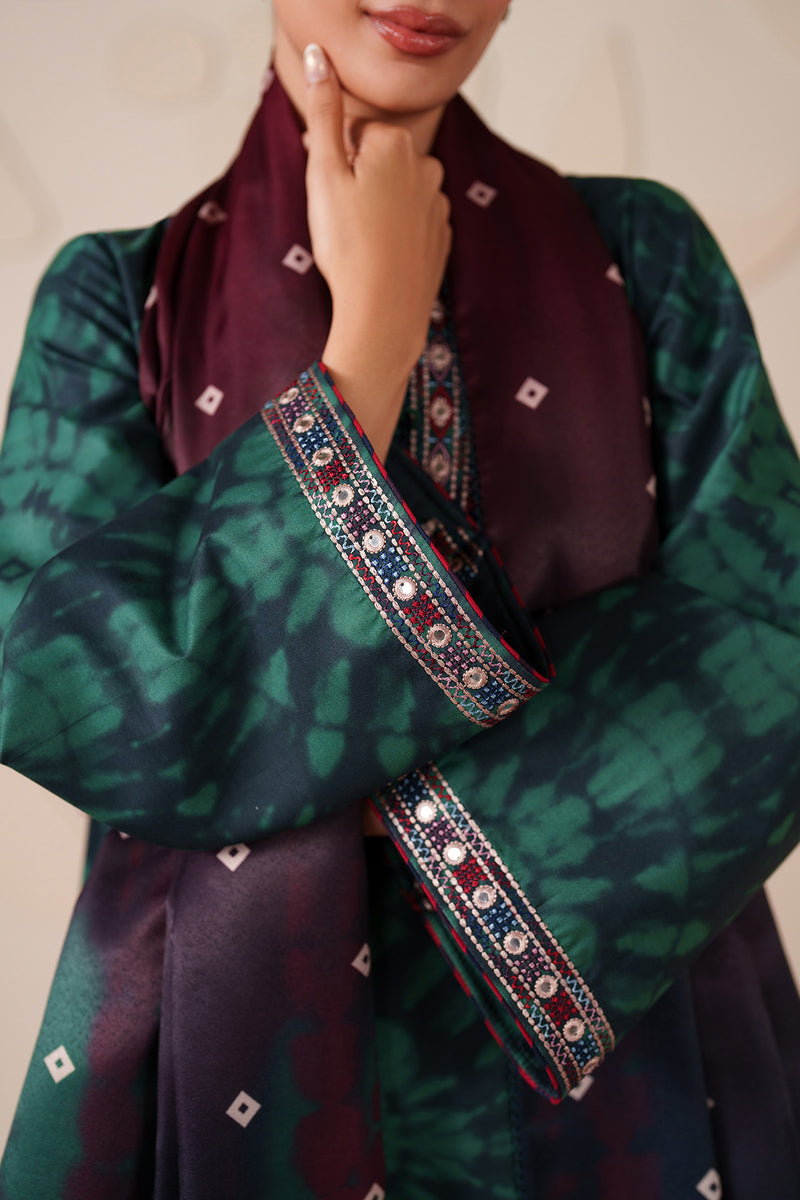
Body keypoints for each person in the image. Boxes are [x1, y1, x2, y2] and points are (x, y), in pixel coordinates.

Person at [1, 2, 800, 1196]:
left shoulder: (646, 252)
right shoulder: (115, 299)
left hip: (634, 1049)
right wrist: (367, 346)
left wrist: (326, 779)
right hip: (233, 1039)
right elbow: (64, 683)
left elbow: (770, 646)